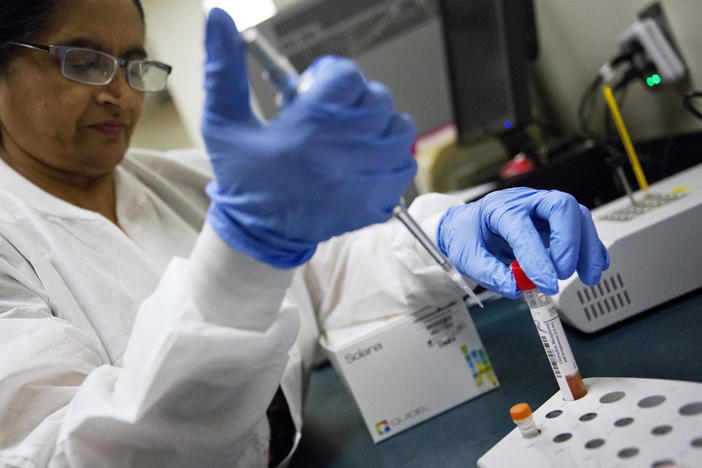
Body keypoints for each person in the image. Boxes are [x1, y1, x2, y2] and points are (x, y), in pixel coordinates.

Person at [0, 1, 609, 467]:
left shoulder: (179, 179)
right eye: (82, 60)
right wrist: (245, 248)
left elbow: (325, 272)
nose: (119, 92)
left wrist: (448, 231)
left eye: (135, 64)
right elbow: (67, 451)